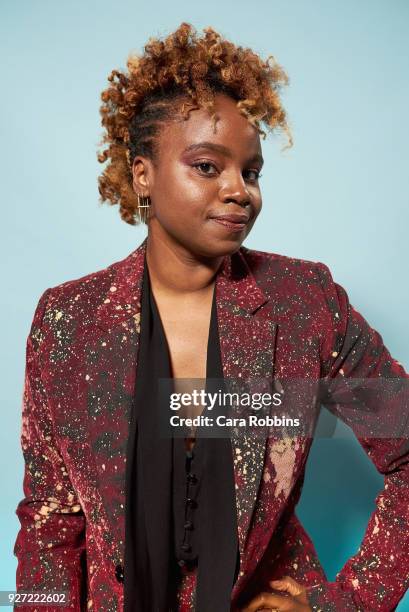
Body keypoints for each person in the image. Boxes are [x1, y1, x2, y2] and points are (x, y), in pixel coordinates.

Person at [14, 22, 408, 612]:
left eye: (251, 172)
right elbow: (49, 521)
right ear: (143, 173)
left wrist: (345, 603)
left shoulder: (305, 302)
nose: (240, 191)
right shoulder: (67, 321)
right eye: (207, 166)